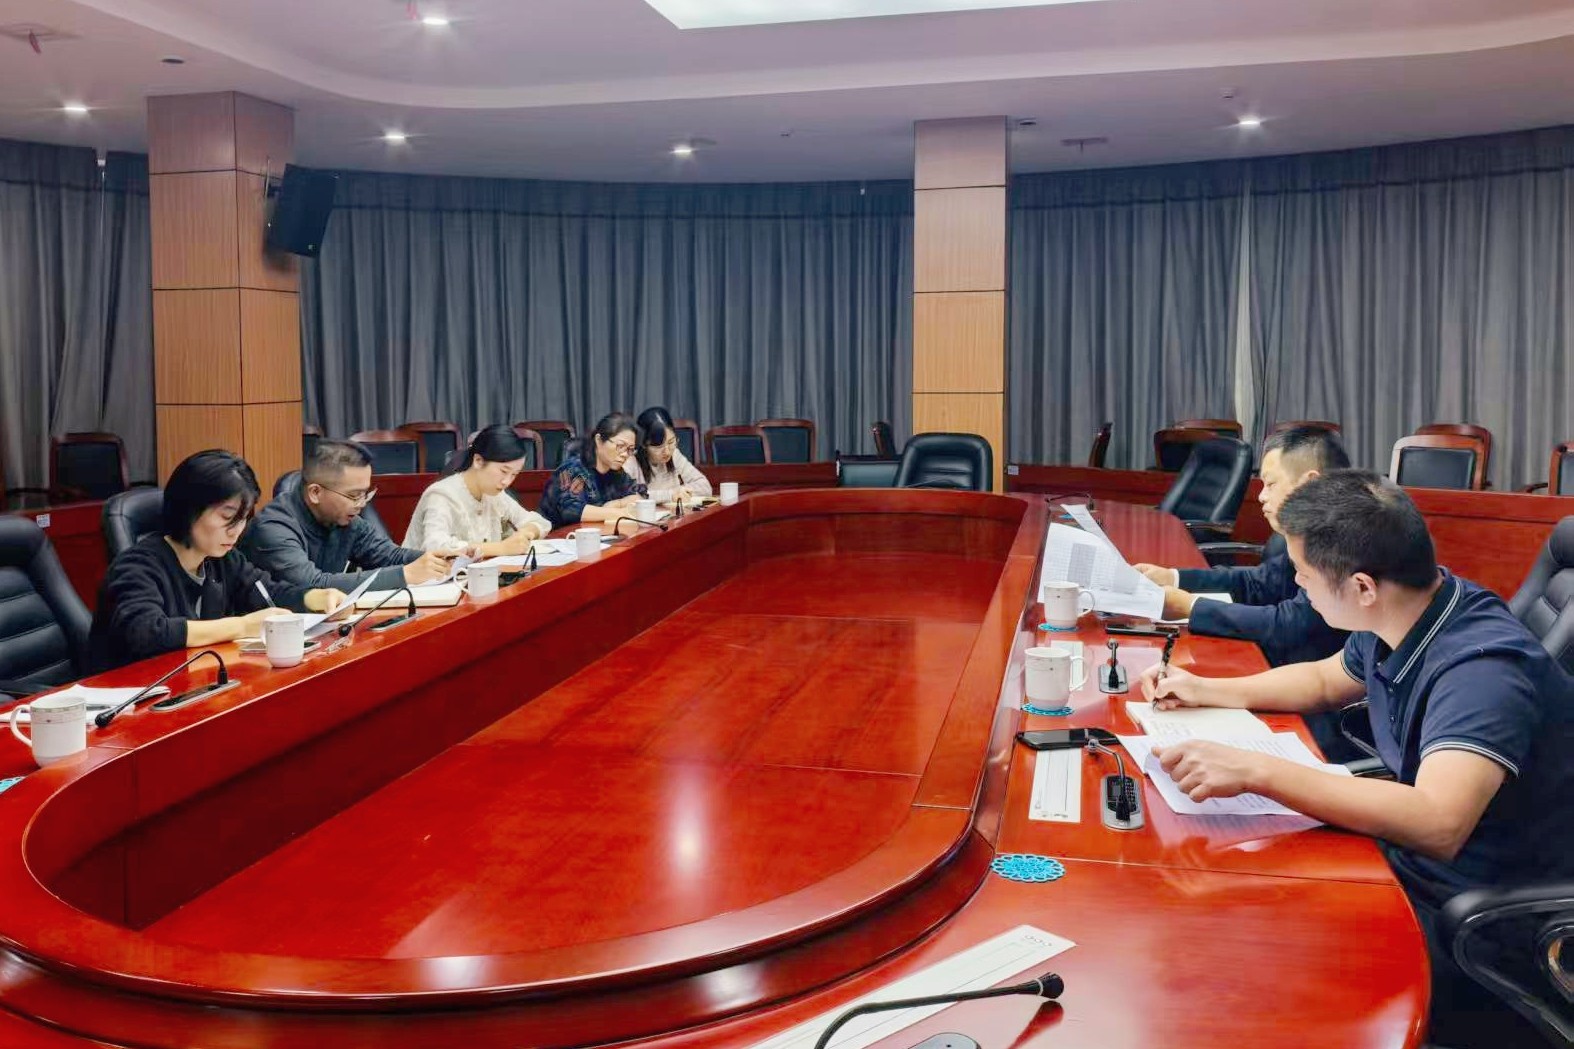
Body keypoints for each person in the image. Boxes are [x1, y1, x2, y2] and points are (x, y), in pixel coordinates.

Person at [1139, 470, 1574, 1043]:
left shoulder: (1482, 672)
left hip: (1481, 925)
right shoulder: (1414, 606)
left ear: (1363, 586)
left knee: (1249, 952)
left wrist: (1257, 770)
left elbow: (1438, 822)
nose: (1297, 583)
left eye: (1305, 573)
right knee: (1233, 894)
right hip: (1415, 870)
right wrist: (1207, 689)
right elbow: (1325, 680)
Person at [88, 450, 346, 673]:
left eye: (243, 519)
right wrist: (241, 626)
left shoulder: (222, 559)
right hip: (131, 695)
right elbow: (147, 632)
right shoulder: (136, 566)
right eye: (227, 517)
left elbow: (267, 593)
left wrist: (315, 598)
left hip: (193, 684)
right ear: (189, 509)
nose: (236, 531)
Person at [1134, 425, 1351, 668]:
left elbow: (1288, 626)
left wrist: (1190, 607)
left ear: (1310, 484)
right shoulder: (1311, 529)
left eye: (1271, 484)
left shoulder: (1345, 542)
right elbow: (1257, 583)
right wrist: (1172, 578)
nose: (1261, 496)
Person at [242, 440, 452, 592]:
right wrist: (405, 575)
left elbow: (390, 556)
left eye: (365, 493)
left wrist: (441, 558)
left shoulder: (344, 519)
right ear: (315, 492)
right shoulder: (273, 528)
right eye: (353, 495)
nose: (361, 504)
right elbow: (312, 585)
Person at [403, 425, 551, 557]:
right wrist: (501, 548)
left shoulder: (494, 494)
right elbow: (435, 546)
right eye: (503, 471)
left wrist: (525, 533)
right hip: (424, 578)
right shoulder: (441, 495)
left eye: (514, 474)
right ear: (478, 461)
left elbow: (539, 522)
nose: (507, 482)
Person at [538, 412, 648, 529]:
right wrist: (620, 513)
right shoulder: (572, 469)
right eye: (620, 446)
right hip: (560, 535)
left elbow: (638, 497)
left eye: (630, 449)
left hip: (599, 534)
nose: (625, 454)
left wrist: (616, 504)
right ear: (599, 440)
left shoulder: (617, 472)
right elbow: (572, 511)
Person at [625, 407, 711, 504]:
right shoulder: (630, 461)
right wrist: (670, 495)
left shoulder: (674, 454)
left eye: (671, 442)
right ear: (643, 444)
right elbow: (628, 496)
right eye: (659, 446)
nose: (667, 451)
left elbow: (705, 486)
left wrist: (683, 491)